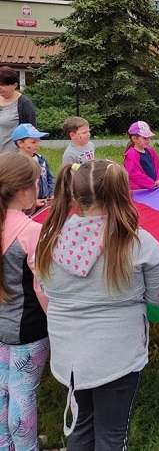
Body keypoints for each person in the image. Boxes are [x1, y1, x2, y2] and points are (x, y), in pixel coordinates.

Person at [35, 160, 159, 449]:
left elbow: (47, 287)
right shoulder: (139, 242)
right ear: (123, 194)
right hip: (118, 358)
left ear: (74, 195)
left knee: (78, 428)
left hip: (68, 356)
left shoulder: (48, 239)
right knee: (112, 436)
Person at [0, 152, 49, 451]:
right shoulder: (32, 232)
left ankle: (6, 443)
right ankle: (26, 446)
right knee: (23, 394)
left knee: (3, 390)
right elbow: (44, 288)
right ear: (24, 190)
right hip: (28, 330)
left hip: (2, 326)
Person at [11, 123, 54, 209]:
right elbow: (16, 188)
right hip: (26, 208)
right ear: (20, 143)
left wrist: (51, 193)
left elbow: (50, 178)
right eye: (33, 142)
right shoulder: (16, 164)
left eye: (38, 141)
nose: (37, 144)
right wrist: (33, 201)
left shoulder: (41, 160)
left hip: (44, 203)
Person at [0, 66, 36, 152]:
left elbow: (31, 134)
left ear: (14, 85)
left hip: (14, 158)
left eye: (3, 85)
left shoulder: (24, 104)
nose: (0, 87)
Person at [123, 121, 159, 190]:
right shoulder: (130, 155)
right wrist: (151, 184)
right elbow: (134, 174)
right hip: (140, 190)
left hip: (154, 187)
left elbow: (158, 166)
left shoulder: (151, 151)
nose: (148, 140)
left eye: (149, 138)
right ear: (134, 139)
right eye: (145, 138)